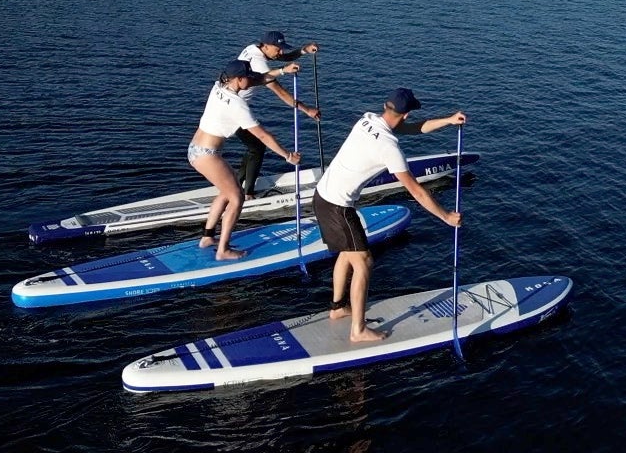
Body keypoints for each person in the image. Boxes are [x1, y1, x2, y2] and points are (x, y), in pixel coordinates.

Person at [313, 88, 465, 343]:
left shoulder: (368, 119)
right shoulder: (389, 148)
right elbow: (416, 191)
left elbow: (416, 129)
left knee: (347, 253)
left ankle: (338, 307)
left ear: (388, 106)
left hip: (323, 197)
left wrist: (448, 120)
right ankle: (358, 330)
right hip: (338, 207)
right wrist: (446, 216)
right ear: (405, 114)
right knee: (363, 261)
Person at [191, 59, 302, 259]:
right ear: (239, 79)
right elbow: (263, 136)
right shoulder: (237, 105)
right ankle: (223, 250)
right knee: (237, 197)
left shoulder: (219, 86)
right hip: (207, 155)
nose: (251, 80)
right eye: (247, 77)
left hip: (195, 149)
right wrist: (288, 156)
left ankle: (207, 237)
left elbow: (257, 80)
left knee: (227, 191)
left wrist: (283, 71)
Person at [234, 30, 322, 193]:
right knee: (258, 147)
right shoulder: (259, 64)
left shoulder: (254, 47)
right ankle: (247, 194)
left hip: (236, 105)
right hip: (234, 108)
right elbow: (280, 92)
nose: (280, 52)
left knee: (254, 147)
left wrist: (303, 50)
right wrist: (307, 110)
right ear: (266, 46)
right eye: (277, 48)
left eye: (281, 48)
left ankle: (239, 185)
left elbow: (283, 58)